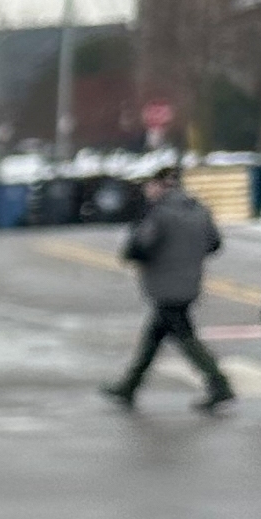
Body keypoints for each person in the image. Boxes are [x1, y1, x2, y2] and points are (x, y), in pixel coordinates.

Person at [102, 167, 233, 413]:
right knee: (154, 337)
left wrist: (133, 248)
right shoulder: (199, 209)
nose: (147, 191)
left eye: (150, 185)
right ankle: (129, 386)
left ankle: (219, 384)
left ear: (161, 185)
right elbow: (214, 243)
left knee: (184, 336)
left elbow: (141, 245)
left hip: (165, 285)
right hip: (190, 281)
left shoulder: (159, 214)